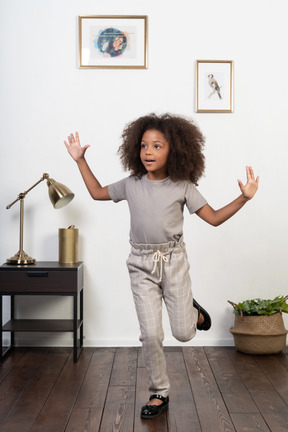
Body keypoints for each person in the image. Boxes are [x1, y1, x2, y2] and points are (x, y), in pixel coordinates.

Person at [64, 113, 259, 419]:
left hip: (174, 262)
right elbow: (97, 192)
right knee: (151, 334)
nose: (149, 152)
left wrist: (243, 198)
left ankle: (192, 312)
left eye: (157, 146)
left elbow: (215, 218)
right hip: (140, 264)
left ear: (175, 150)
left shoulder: (183, 186)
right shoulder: (131, 184)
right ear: (135, 150)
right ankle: (159, 392)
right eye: (144, 146)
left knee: (183, 334)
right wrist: (80, 161)